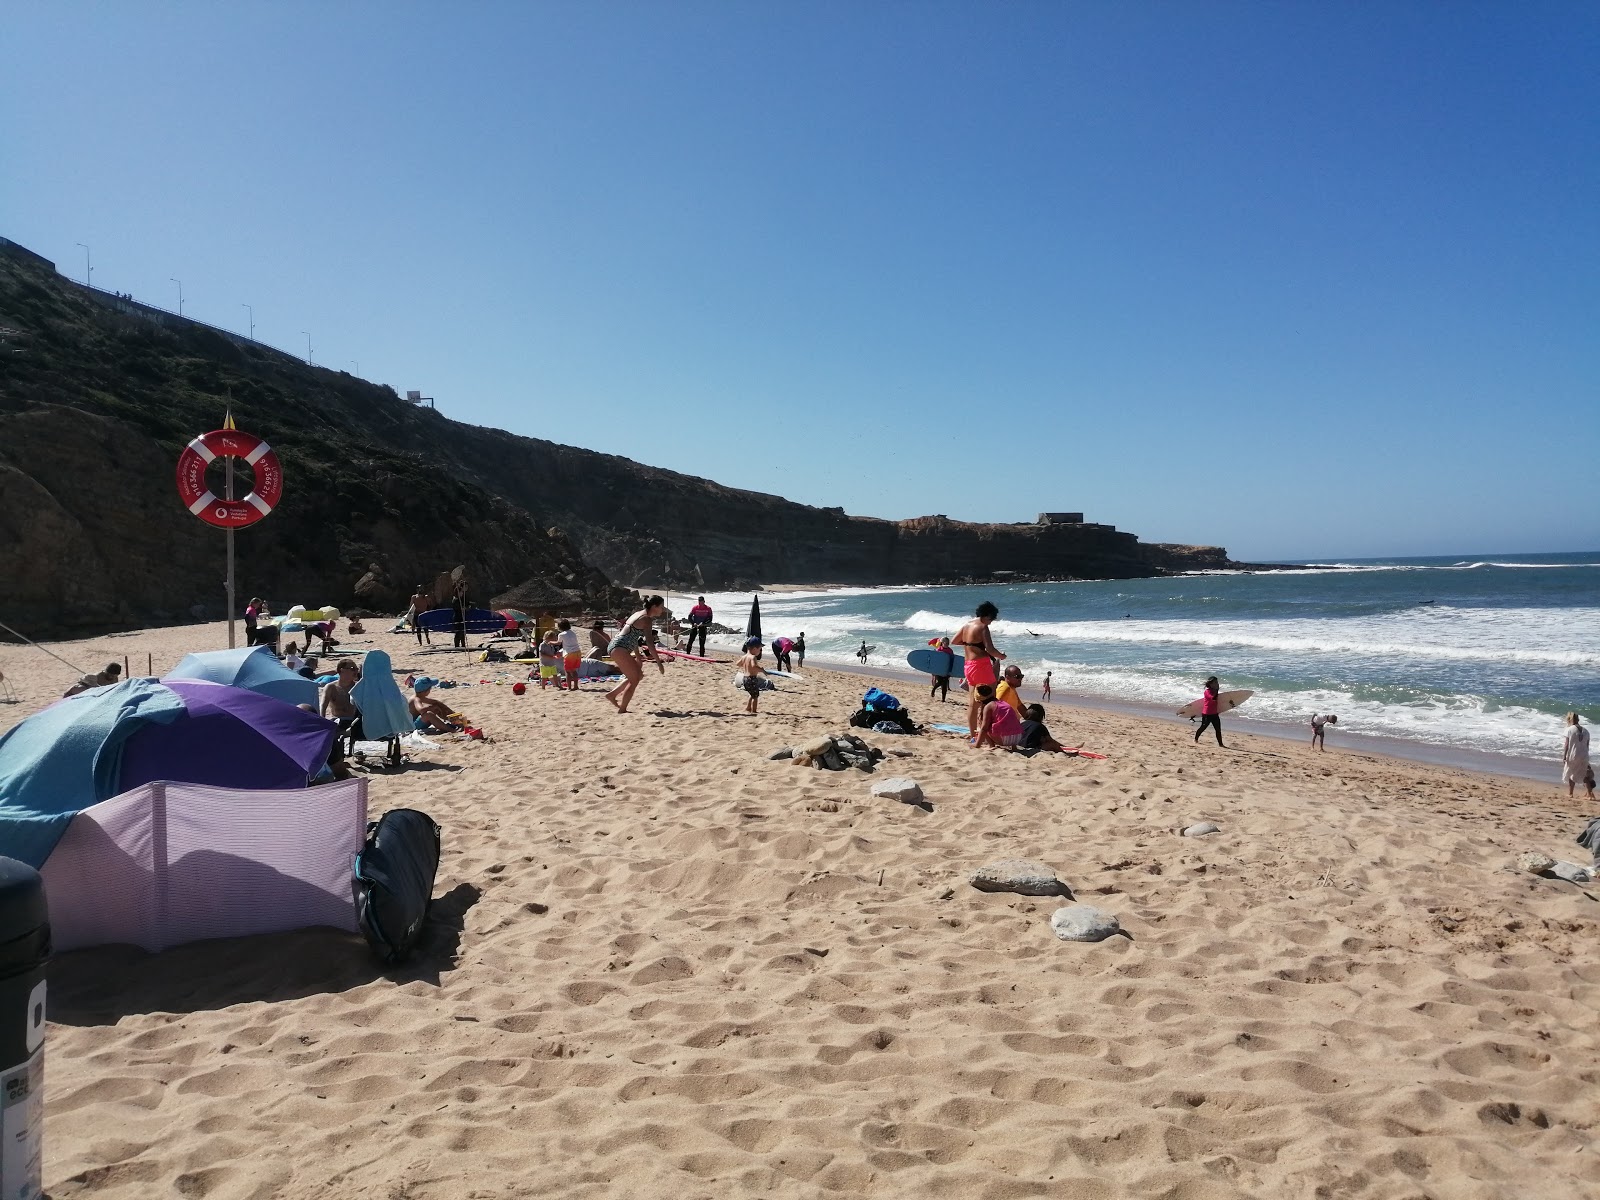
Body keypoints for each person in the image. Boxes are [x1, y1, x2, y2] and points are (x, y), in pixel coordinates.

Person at [604, 596, 667, 714]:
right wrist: (659, 663)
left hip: (616, 646)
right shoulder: (646, 619)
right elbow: (649, 643)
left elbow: (632, 636)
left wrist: (638, 656)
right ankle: (622, 709)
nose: (662, 610)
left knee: (638, 675)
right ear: (654, 606)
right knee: (634, 679)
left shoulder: (638, 614)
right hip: (619, 648)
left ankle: (612, 695)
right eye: (661, 607)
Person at [953, 601, 1005, 736]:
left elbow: (954, 641)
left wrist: (970, 644)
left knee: (972, 702)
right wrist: (1001, 656)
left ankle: (972, 734)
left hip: (968, 665)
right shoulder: (982, 627)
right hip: (981, 665)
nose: (991, 622)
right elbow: (990, 648)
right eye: (991, 619)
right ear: (986, 615)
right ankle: (986, 733)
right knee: (989, 699)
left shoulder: (966, 625)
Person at [321, 658, 364, 744]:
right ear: (341, 670)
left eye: (356, 669)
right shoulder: (331, 687)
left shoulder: (358, 687)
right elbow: (323, 705)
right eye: (352, 669)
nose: (355, 672)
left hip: (354, 721)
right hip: (338, 720)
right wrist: (322, 721)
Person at [973, 684, 1024, 748]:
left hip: (1004, 739)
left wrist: (977, 744)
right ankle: (1014, 747)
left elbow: (984, 728)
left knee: (983, 725)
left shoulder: (989, 706)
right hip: (1018, 737)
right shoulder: (1002, 702)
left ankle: (991, 745)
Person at [736, 637, 768, 715]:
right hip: (752, 678)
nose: (760, 651)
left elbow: (738, 664)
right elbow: (754, 666)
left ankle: (748, 707)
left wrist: (746, 665)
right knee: (755, 696)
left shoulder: (744, 657)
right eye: (759, 649)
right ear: (754, 648)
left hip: (745, 678)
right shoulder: (753, 657)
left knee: (752, 694)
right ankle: (754, 711)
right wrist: (762, 670)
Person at [1562, 713, 1590, 798]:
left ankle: (1571, 793)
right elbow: (1587, 745)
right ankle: (1589, 794)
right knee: (1584, 773)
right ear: (1578, 719)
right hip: (1584, 754)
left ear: (1569, 720)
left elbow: (1566, 744)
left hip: (1574, 754)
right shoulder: (1586, 731)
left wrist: (1564, 756)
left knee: (1571, 772)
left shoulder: (1569, 729)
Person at [1194, 676, 1225, 748]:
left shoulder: (1215, 692)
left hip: (1215, 714)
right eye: (1215, 682)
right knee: (1203, 727)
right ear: (1210, 684)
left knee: (1218, 729)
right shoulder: (1207, 692)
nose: (1217, 684)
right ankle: (1195, 739)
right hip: (1207, 714)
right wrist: (1217, 690)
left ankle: (1221, 744)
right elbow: (1213, 698)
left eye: (1217, 682)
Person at [558, 619, 582, 690]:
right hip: (577, 652)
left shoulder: (561, 634)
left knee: (567, 671)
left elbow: (558, 643)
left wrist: (550, 642)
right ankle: (576, 686)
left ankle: (569, 687)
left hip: (569, 654)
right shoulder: (573, 633)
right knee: (574, 670)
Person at [451, 578, 469, 649]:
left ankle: (463, 646)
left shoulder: (463, 598)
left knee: (463, 633)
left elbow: (467, 604)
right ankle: (457, 646)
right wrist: (464, 608)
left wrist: (469, 606)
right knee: (458, 633)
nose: (462, 593)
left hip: (462, 617)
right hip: (457, 617)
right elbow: (457, 608)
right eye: (461, 592)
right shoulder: (455, 600)